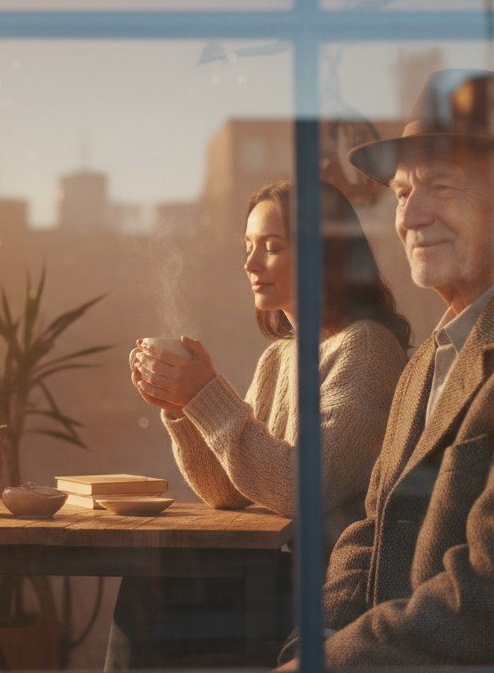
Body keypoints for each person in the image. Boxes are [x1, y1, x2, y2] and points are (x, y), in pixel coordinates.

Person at [278, 69, 494, 668]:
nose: (409, 218)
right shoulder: (429, 357)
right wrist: (307, 649)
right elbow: (368, 537)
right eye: (399, 193)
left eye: (440, 186)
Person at [107, 179, 412, 668]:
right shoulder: (279, 359)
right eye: (248, 248)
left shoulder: (367, 350)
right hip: (275, 568)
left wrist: (205, 395)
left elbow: (297, 487)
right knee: (150, 577)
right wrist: (181, 408)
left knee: (153, 587)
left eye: (271, 248)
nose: (250, 264)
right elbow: (230, 492)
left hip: (328, 585)